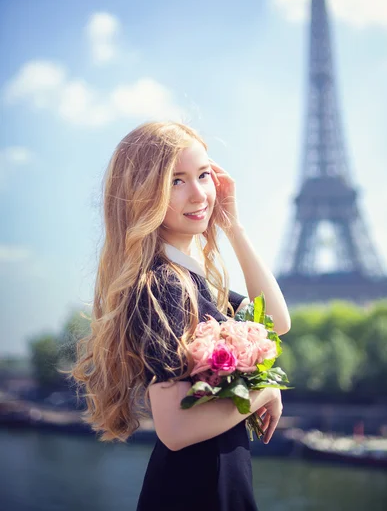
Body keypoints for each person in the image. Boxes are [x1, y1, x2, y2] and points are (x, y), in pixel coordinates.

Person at [69, 121, 291, 511]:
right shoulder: (163, 287)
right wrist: (263, 391)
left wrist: (233, 225)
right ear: (142, 195)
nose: (199, 194)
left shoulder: (191, 279)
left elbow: (277, 321)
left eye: (204, 175)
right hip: (195, 493)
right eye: (176, 181)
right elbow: (175, 429)